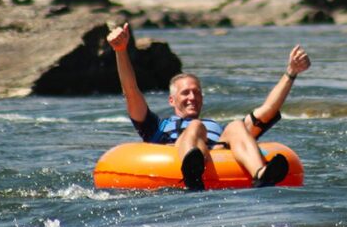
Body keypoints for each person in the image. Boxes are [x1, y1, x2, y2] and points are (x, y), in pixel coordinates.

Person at [106, 22, 311, 190]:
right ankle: (191, 171)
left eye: (196, 92)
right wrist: (121, 51)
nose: (192, 97)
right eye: (185, 92)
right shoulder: (155, 127)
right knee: (195, 126)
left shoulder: (220, 131)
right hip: (177, 155)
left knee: (236, 126)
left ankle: (261, 174)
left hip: (218, 150)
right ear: (172, 100)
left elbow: (267, 110)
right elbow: (131, 91)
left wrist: (291, 73)